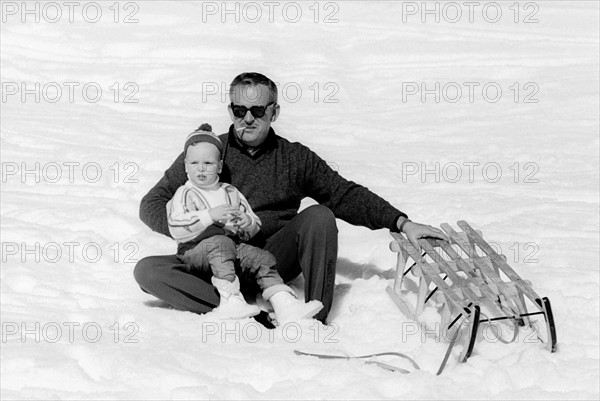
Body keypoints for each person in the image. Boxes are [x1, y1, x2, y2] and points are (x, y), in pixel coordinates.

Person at [134, 72, 446, 323]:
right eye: (240, 110)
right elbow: (151, 204)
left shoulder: (294, 158)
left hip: (272, 258)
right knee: (148, 271)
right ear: (231, 111)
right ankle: (241, 307)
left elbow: (342, 193)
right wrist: (193, 227)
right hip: (213, 262)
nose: (248, 119)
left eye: (258, 110)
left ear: (274, 111)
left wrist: (401, 222)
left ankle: (311, 317)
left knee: (319, 216)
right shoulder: (207, 153)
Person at [167, 124, 323, 323]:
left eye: (208, 163)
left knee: (260, 257)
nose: (201, 169)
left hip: (231, 247)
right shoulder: (186, 192)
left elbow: (253, 223)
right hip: (195, 251)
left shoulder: (230, 192)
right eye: (195, 163)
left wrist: (246, 223)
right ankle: (231, 299)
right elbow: (176, 226)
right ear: (186, 166)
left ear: (220, 166)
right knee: (221, 245)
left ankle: (283, 303)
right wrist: (210, 215)